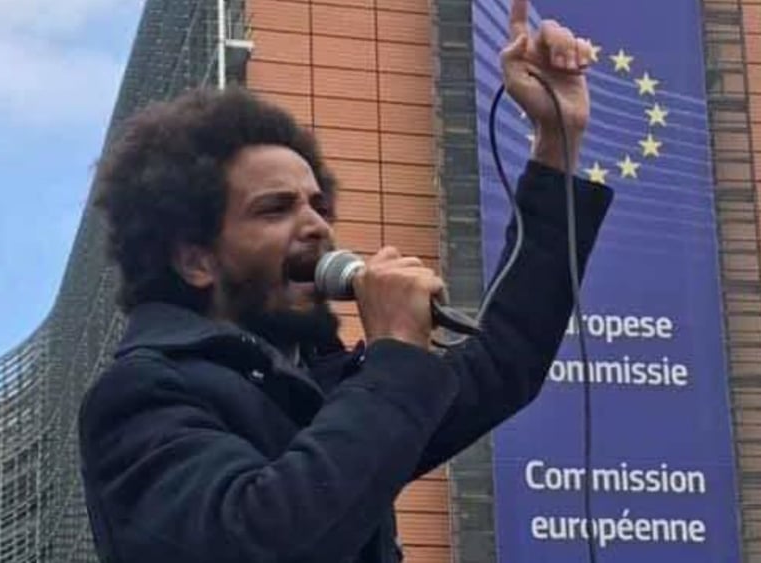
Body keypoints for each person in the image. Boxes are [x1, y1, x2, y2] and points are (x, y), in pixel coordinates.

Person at [77, 1, 613, 561]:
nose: (316, 225)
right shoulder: (142, 393)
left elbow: (504, 358)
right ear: (196, 261)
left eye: (318, 204)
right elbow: (260, 540)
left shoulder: (316, 387)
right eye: (275, 209)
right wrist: (395, 353)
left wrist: (557, 141)